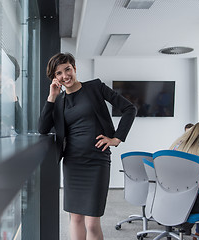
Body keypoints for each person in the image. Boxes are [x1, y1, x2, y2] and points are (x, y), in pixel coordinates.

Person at [38, 52, 137, 240]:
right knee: (75, 218)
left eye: (67, 69)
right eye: (58, 73)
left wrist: (116, 138)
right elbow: (42, 128)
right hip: (72, 162)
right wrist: (51, 97)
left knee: (92, 222)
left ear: (74, 68)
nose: (65, 76)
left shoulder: (95, 87)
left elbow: (129, 108)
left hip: (97, 160)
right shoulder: (59, 101)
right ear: (55, 78)